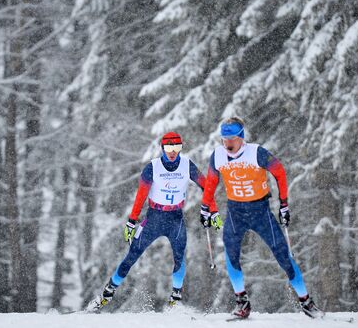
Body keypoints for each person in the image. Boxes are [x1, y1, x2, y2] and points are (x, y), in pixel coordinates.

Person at [199, 117, 324, 319]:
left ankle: (306, 302)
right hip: (235, 211)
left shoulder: (256, 153)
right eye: (224, 139)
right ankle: (242, 302)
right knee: (231, 253)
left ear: (241, 138)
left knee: (283, 254)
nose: (228, 143)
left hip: (260, 211)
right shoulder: (218, 156)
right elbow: (211, 182)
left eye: (231, 138)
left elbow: (280, 173)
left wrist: (284, 204)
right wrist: (205, 208)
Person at [87, 132, 214, 312]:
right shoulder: (152, 168)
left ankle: (175, 301)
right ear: (162, 148)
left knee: (180, 256)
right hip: (154, 218)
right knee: (132, 254)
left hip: (175, 218)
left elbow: (206, 186)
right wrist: (131, 222)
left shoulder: (187, 165)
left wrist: (211, 210)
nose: (173, 152)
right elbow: (140, 197)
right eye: (169, 148)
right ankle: (106, 294)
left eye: (177, 147)